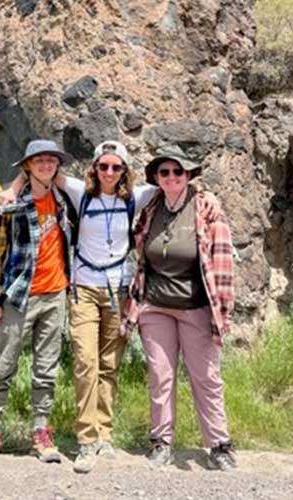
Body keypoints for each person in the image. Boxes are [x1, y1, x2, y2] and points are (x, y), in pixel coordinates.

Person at [0, 141, 220, 473]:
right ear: (94, 168)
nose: (109, 172)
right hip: (84, 289)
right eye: (103, 166)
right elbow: (41, 171)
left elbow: (174, 184)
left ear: (125, 171)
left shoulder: (138, 196)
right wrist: (13, 188)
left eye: (116, 167)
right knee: (86, 362)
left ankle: (105, 434)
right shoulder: (79, 192)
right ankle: (87, 439)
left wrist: (206, 194)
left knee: (109, 364)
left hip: (119, 292)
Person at [120, 151, 237, 472]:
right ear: (156, 178)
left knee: (207, 378)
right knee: (160, 376)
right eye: (164, 172)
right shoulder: (151, 209)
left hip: (196, 308)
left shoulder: (206, 210)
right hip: (155, 307)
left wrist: (222, 313)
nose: (171, 177)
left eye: (178, 172)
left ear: (189, 176)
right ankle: (161, 442)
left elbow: (224, 264)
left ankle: (219, 445)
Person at [0, 139, 73, 464]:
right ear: (27, 166)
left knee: (46, 368)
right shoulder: (11, 204)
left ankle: (41, 432)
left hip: (55, 295)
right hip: (18, 295)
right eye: (38, 161)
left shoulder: (63, 200)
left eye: (50, 161)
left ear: (56, 166)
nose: (45, 165)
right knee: (4, 365)